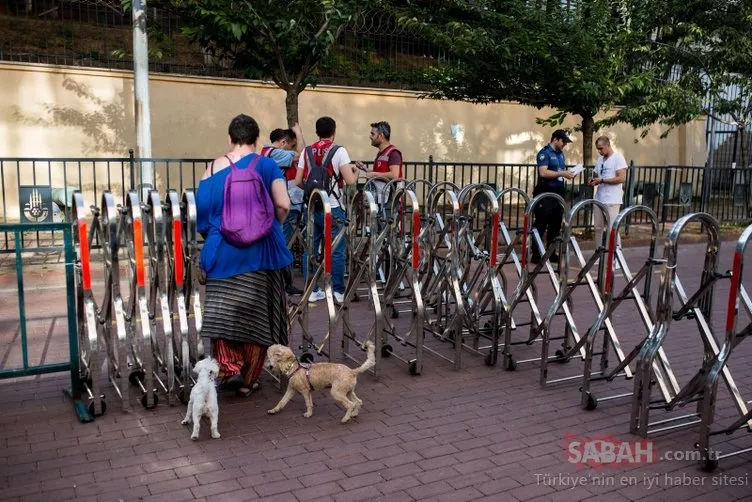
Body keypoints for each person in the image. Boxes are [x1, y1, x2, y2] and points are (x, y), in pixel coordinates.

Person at [196, 114, 293, 397]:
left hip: (221, 253)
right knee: (258, 318)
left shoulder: (211, 170)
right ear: (257, 140)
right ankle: (249, 380)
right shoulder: (266, 164)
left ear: (229, 138)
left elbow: (202, 220)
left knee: (222, 315)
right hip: (261, 254)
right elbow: (283, 204)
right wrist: (269, 226)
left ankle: (229, 368)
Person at [295, 116, 358, 304]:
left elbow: (298, 181)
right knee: (336, 249)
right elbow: (350, 181)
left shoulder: (307, 151)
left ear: (316, 132)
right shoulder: (339, 150)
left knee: (310, 248)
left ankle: (312, 290)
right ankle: (338, 290)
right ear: (334, 131)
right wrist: (356, 172)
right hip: (333, 206)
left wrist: (312, 191)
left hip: (312, 206)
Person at [261, 125, 305, 295]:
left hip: (267, 205)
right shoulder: (275, 153)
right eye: (290, 146)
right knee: (283, 244)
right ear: (283, 142)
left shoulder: (264, 152)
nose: (291, 149)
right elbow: (301, 157)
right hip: (276, 205)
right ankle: (285, 284)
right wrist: (299, 134)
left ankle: (274, 284)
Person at [532, 129, 578, 264]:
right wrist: (563, 174)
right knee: (541, 223)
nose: (565, 144)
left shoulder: (560, 154)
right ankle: (536, 253)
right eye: (563, 141)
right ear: (555, 139)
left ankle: (551, 252)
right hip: (545, 191)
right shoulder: (544, 153)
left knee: (555, 224)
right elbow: (543, 172)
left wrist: (567, 174)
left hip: (558, 192)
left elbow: (559, 171)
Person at [589, 136, 628, 262]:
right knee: (598, 228)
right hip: (599, 197)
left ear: (607, 145)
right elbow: (598, 175)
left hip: (612, 199)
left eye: (601, 148)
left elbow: (621, 178)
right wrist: (595, 181)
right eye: (598, 149)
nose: (599, 151)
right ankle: (599, 256)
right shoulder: (600, 159)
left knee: (612, 228)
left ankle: (616, 258)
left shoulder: (618, 158)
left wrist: (603, 180)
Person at [357, 121, 403, 215]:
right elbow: (381, 173)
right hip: (381, 198)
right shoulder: (382, 153)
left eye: (373, 134)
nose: (370, 136)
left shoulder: (393, 153)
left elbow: (395, 175)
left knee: (386, 226)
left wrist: (373, 174)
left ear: (381, 136)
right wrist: (364, 168)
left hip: (389, 201)